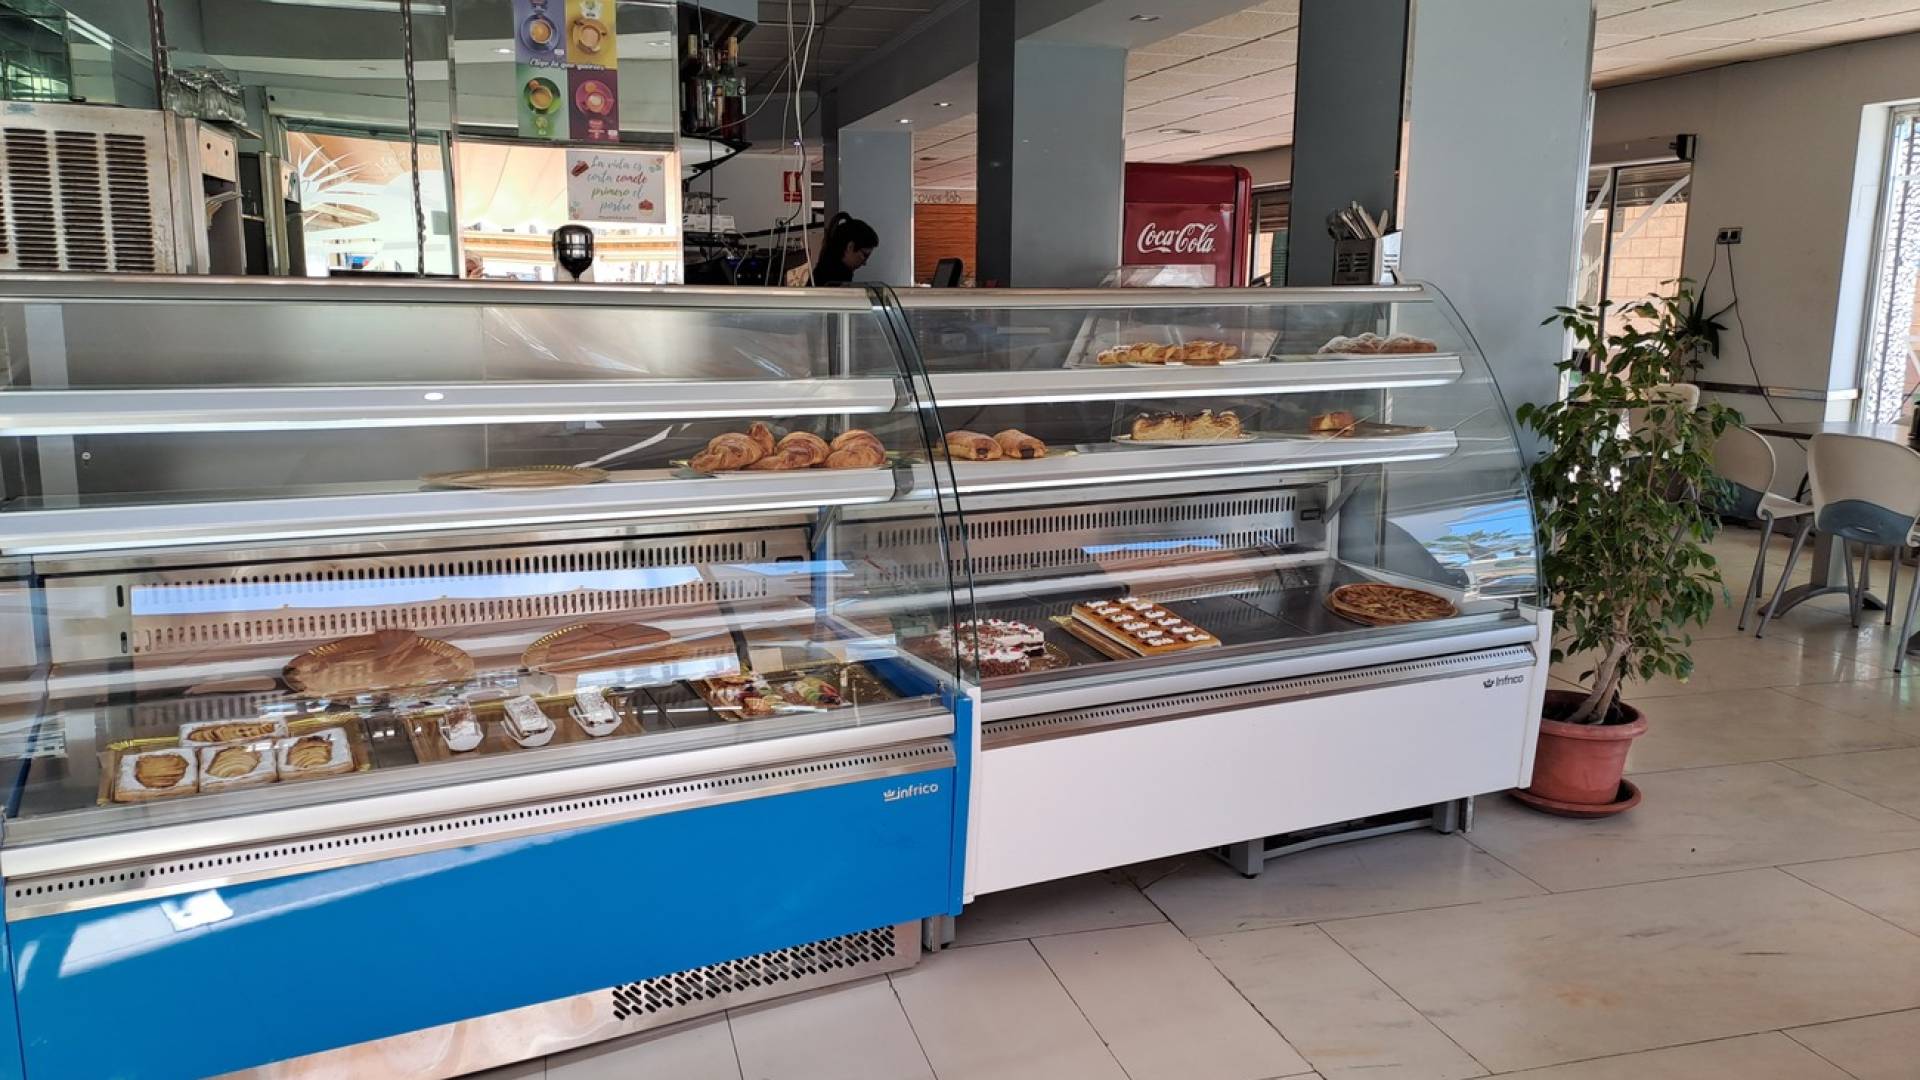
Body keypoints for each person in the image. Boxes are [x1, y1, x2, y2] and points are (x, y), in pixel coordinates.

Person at [809, 211, 879, 285]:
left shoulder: (824, 267)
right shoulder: (838, 276)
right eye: (865, 255)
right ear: (850, 247)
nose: (864, 263)